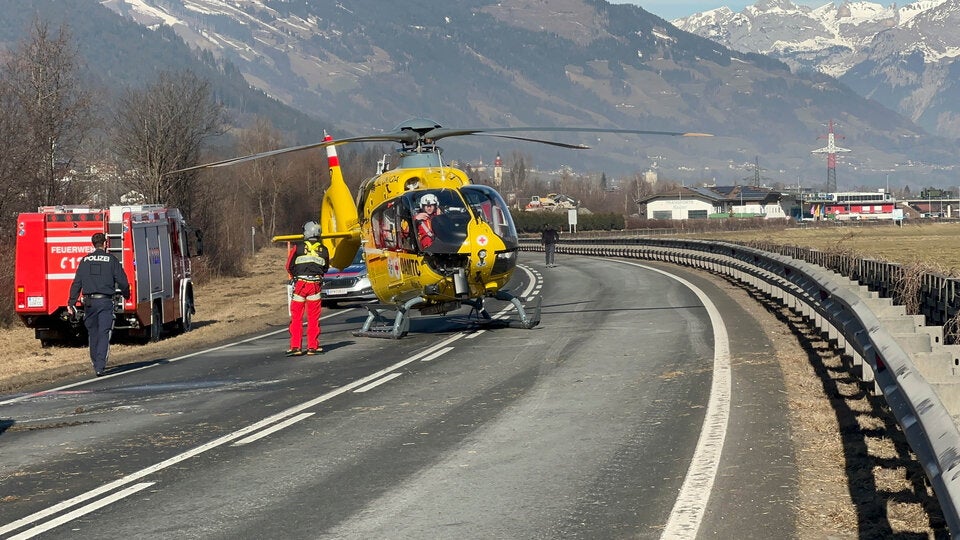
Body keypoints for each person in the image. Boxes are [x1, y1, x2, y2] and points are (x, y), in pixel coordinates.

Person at [67, 232, 130, 377]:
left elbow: (77, 283)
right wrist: (126, 294)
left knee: (93, 333)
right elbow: (123, 280)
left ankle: (96, 362)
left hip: (89, 302)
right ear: (105, 243)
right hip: (105, 301)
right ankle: (100, 365)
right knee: (103, 332)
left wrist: (71, 302)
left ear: (92, 244)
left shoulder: (85, 260)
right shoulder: (111, 260)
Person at [286, 221, 330, 356]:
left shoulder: (297, 247)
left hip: (300, 285)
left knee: (297, 317)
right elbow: (325, 268)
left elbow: (289, 266)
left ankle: (295, 347)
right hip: (315, 286)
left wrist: (296, 275)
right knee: (313, 318)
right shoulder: (324, 250)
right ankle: (312, 346)